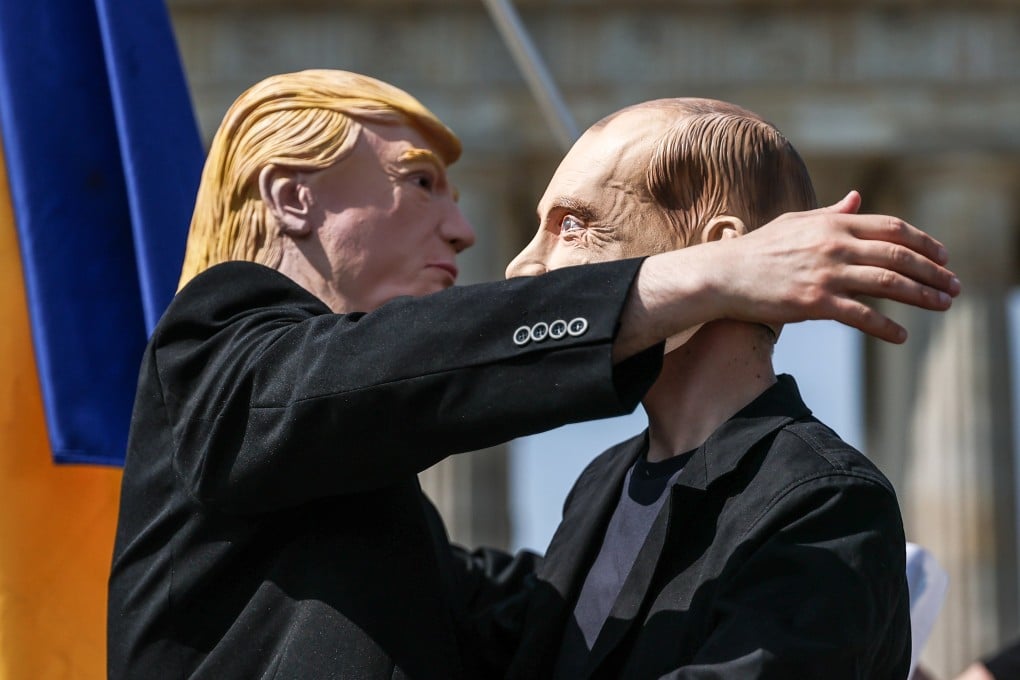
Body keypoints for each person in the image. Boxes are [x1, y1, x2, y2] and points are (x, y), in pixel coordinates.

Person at [107, 70, 958, 679]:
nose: (475, 236)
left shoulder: (787, 495)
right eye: (421, 182)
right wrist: (700, 277)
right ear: (294, 198)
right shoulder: (215, 354)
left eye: (573, 224)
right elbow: (370, 374)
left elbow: (505, 611)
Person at [502, 99, 916, 679]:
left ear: (720, 251)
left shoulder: (827, 501)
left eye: (573, 225)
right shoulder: (603, 480)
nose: (520, 266)